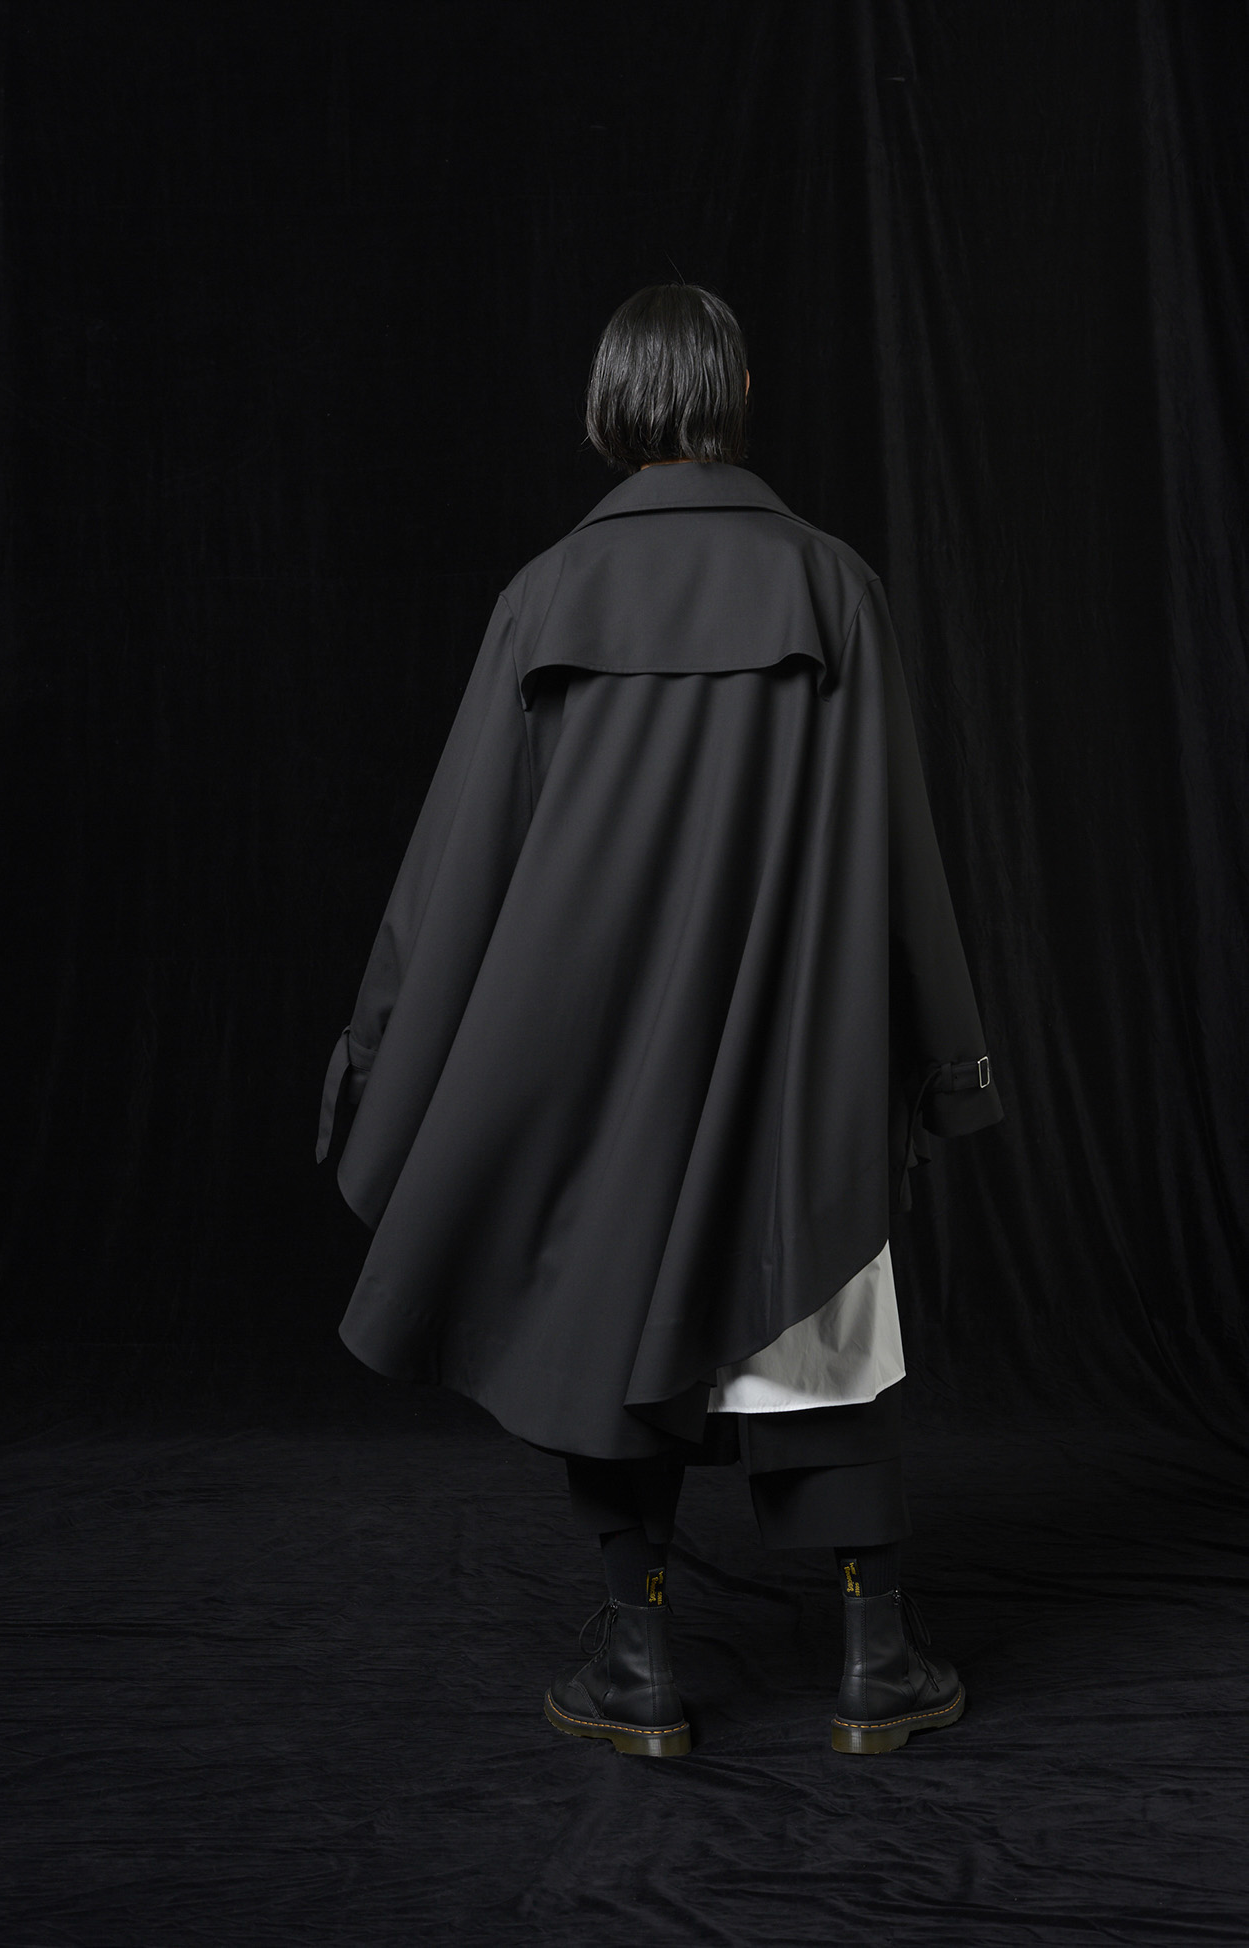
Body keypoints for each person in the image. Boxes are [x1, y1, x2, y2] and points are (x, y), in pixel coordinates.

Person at [316, 283, 1004, 1759]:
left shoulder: (545, 596)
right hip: (799, 1042)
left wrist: (380, 1049)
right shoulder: (833, 585)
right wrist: (944, 1060)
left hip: (599, 1059)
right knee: (820, 1304)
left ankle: (637, 1671)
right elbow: (900, 849)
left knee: (601, 1311)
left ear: (611, 406)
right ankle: (876, 1664)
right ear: (736, 395)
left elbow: (461, 861)